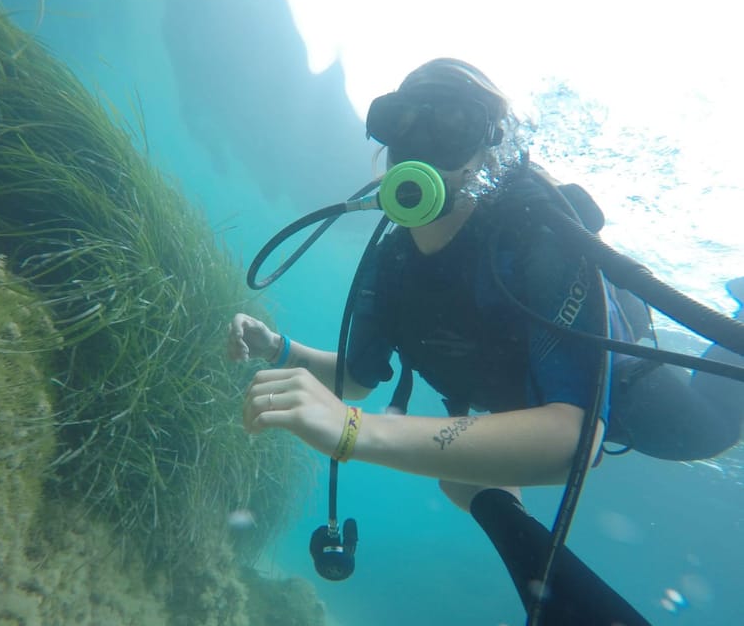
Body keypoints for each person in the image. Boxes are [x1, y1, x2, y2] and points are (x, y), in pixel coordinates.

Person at [228, 58, 742, 625]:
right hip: (509, 413)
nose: (420, 146)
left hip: (632, 401)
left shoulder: (537, 239)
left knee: (708, 432)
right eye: (401, 123)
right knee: (460, 478)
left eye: (451, 126)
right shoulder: (390, 259)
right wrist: (279, 348)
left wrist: (356, 430)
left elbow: (576, 440)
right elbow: (356, 377)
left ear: (489, 149)